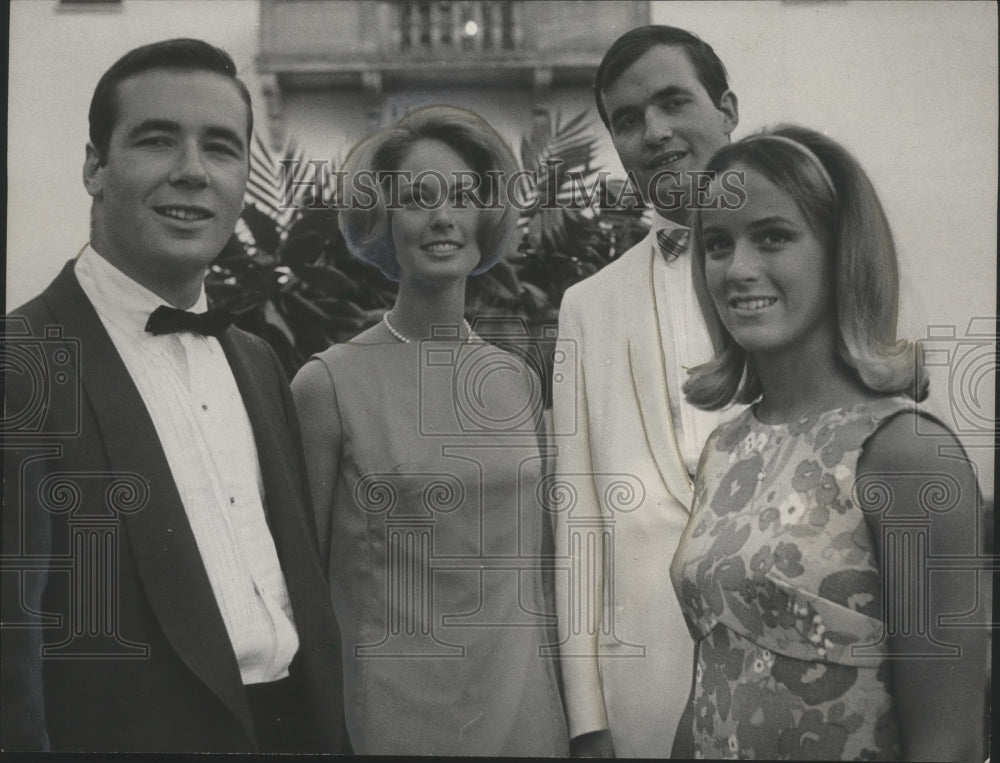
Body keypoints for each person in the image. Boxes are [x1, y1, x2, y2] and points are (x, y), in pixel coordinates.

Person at [1, 39, 348, 753]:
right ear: (94, 166)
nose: (192, 172)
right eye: (157, 140)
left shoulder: (258, 359)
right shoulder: (23, 361)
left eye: (220, 148)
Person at [670, 125, 989, 760]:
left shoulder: (909, 455)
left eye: (773, 237)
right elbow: (714, 678)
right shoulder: (725, 450)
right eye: (717, 244)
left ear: (843, 252)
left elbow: (948, 743)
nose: (738, 269)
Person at [291, 105, 570, 756]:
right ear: (385, 221)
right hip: (392, 722)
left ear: (488, 217)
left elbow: (539, 570)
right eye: (417, 197)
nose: (443, 216)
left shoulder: (517, 381)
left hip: (525, 717)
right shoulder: (327, 384)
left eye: (465, 196)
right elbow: (305, 588)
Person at [551, 25, 739, 757]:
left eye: (672, 102)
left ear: (726, 107)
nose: (653, 132)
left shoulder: (811, 268)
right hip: (645, 691)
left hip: (800, 669)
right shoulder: (587, 305)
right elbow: (577, 518)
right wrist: (587, 717)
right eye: (627, 121)